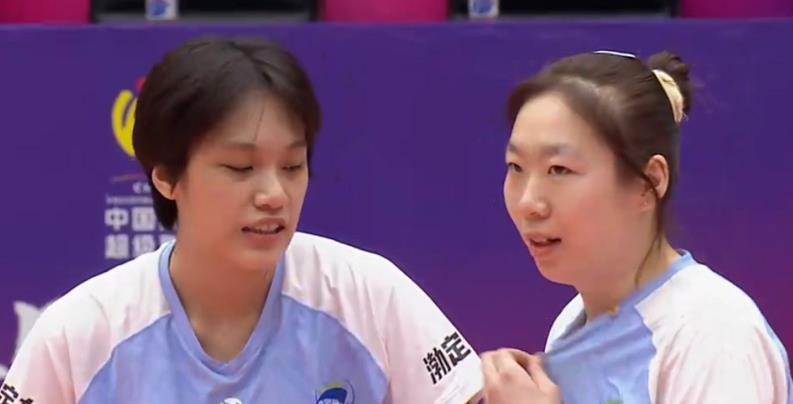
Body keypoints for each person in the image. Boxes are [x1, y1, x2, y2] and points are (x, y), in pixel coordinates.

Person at [2, 37, 482, 404]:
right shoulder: (81, 332)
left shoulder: (370, 295)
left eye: (292, 166)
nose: (274, 195)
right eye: (240, 167)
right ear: (166, 177)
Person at [481, 50, 792, 404]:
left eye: (559, 169)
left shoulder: (714, 335)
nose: (528, 203)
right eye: (516, 167)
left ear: (649, 182)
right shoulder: (571, 323)